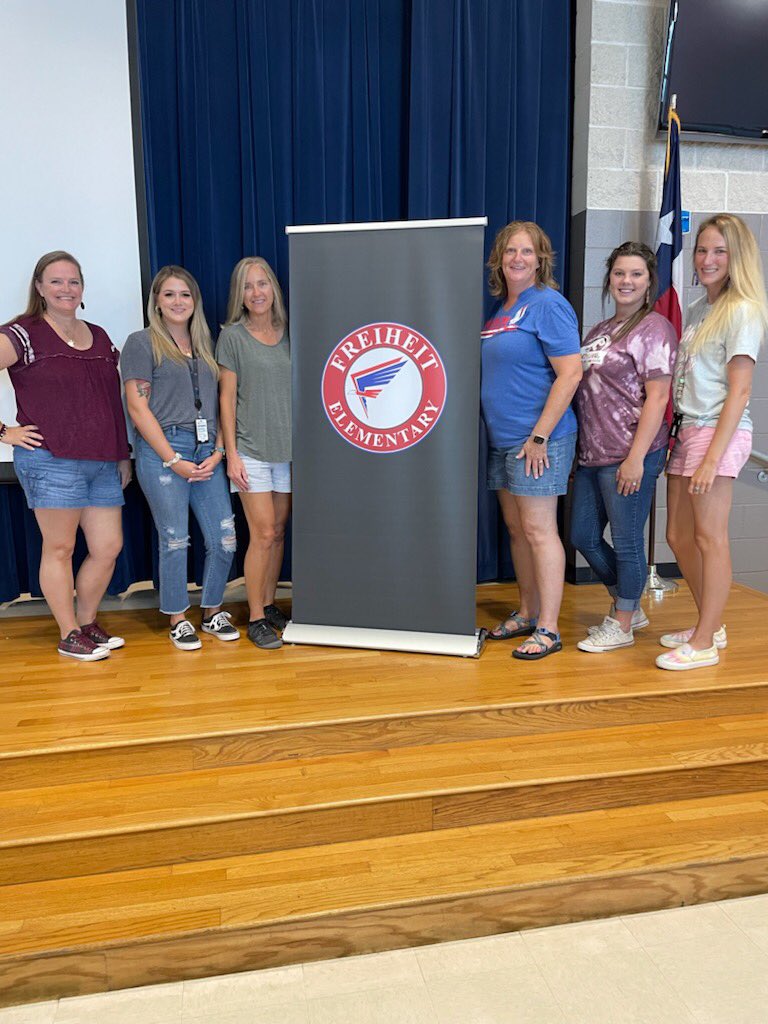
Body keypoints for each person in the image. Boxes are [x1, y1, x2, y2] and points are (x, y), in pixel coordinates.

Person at [0, 251, 131, 661]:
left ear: (82, 288)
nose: (66, 289)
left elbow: (112, 401)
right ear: (39, 287)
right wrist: (5, 432)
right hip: (52, 459)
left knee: (107, 546)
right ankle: (68, 633)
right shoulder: (21, 334)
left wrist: (122, 454)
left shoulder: (100, 334)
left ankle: (87, 622)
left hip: (103, 460)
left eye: (73, 282)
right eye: (56, 281)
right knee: (59, 549)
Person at [657, 214, 768, 671]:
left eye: (718, 250)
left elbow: (740, 391)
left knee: (709, 537)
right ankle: (711, 622)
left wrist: (713, 458)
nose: (706, 259)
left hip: (716, 432)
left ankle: (704, 641)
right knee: (677, 535)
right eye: (702, 250)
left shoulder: (743, 309)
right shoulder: (703, 307)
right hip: (687, 429)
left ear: (736, 256)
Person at [122, 266, 239, 650]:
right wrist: (173, 459)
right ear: (156, 300)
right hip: (164, 452)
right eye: (169, 294)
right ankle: (177, 616)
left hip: (207, 451)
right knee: (174, 540)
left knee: (224, 538)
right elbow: (138, 410)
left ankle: (211, 610)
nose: (178, 302)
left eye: (185, 294)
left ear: (195, 301)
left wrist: (220, 449)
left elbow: (224, 403)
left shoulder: (206, 343)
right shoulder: (141, 343)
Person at [482, 221, 582, 659]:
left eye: (526, 252)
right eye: (510, 252)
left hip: (538, 440)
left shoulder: (547, 305)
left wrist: (539, 436)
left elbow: (571, 372)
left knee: (540, 530)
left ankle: (549, 628)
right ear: (499, 259)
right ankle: (526, 612)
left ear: (541, 259)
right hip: (503, 440)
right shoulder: (503, 310)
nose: (517, 259)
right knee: (517, 530)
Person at [570, 242, 675, 653]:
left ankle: (624, 621)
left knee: (628, 541)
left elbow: (659, 398)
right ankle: (628, 601)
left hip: (630, 455)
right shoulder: (598, 331)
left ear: (649, 283)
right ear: (609, 278)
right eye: (619, 273)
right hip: (594, 455)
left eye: (635, 274)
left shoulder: (654, 328)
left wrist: (635, 459)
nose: (625, 281)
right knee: (582, 536)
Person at [217, 257, 291, 651]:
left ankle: (269, 602)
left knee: (278, 534)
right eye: (248, 286)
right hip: (252, 450)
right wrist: (232, 454)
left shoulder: (291, 331)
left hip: (290, 452)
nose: (257, 293)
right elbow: (226, 400)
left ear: (273, 289)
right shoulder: (232, 337)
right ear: (240, 295)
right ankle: (256, 618)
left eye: (262, 284)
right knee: (261, 534)